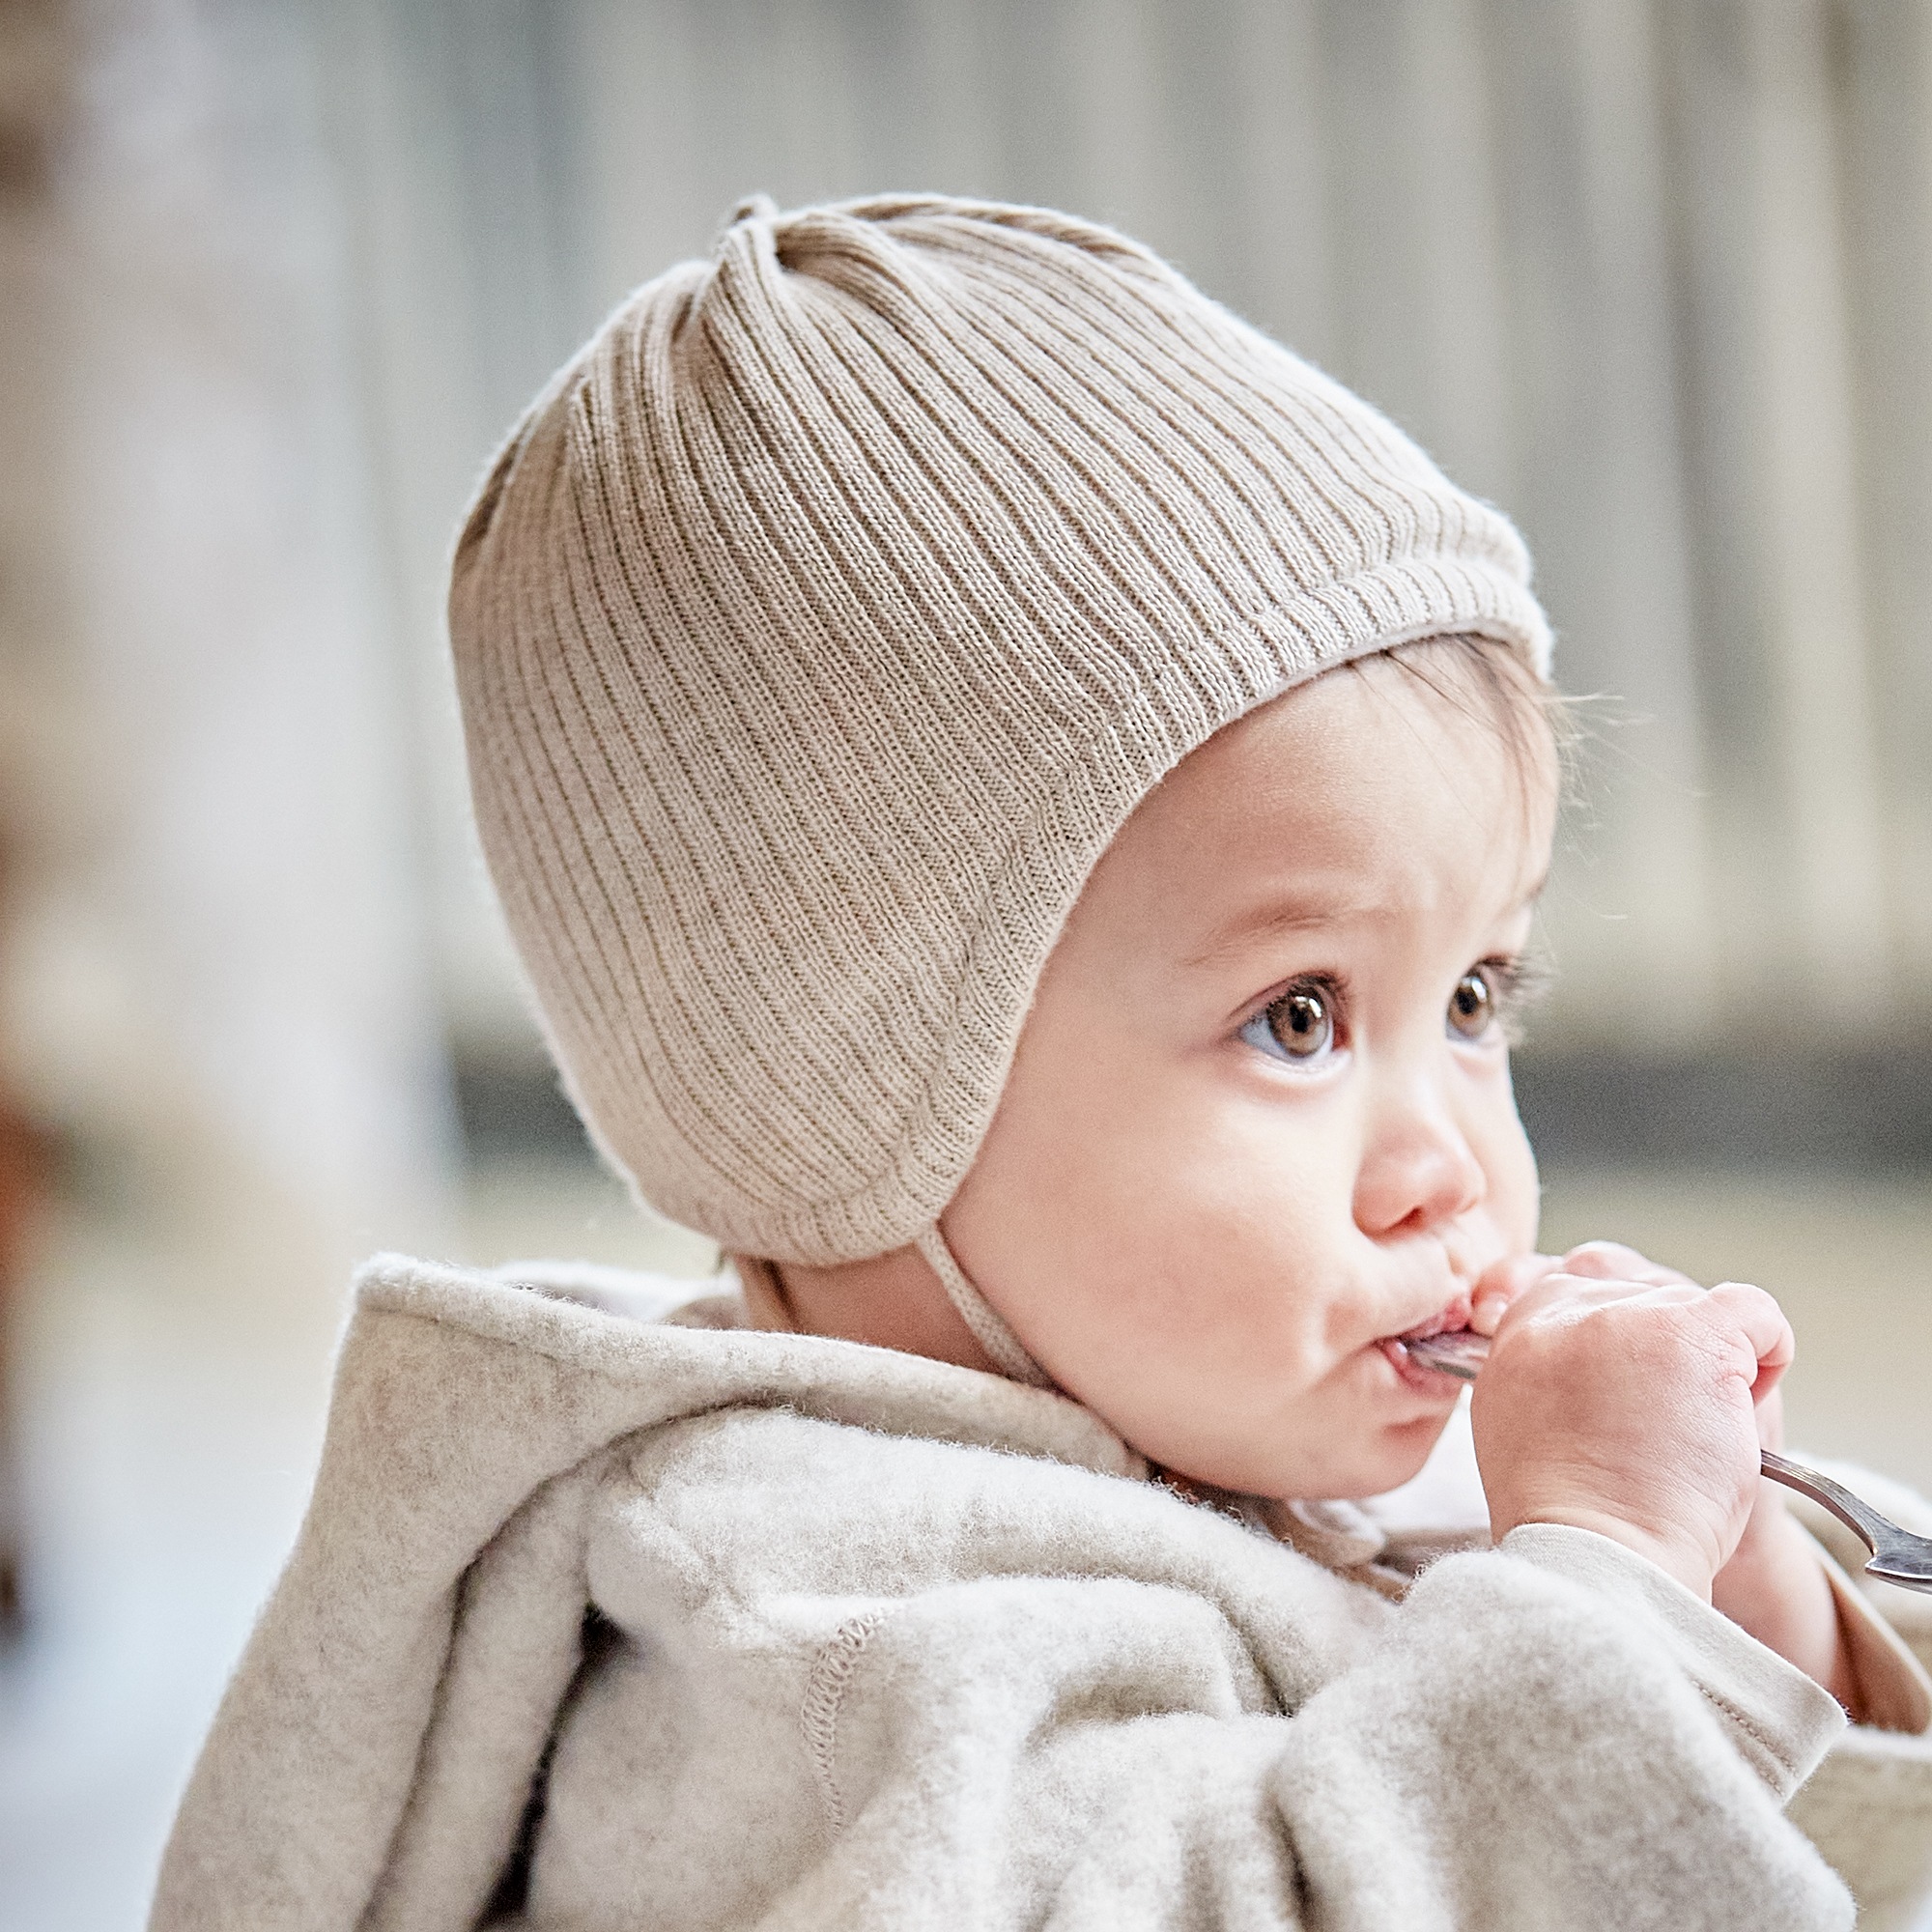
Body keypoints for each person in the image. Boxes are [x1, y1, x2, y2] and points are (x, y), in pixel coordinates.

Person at [151, 195, 1932, 1931]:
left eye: (1475, 997)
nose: (1452, 1163)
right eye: (1297, 1018)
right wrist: (1605, 1582)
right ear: (838, 1087)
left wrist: (1752, 1605)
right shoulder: (800, 1634)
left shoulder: (1241, 1440)